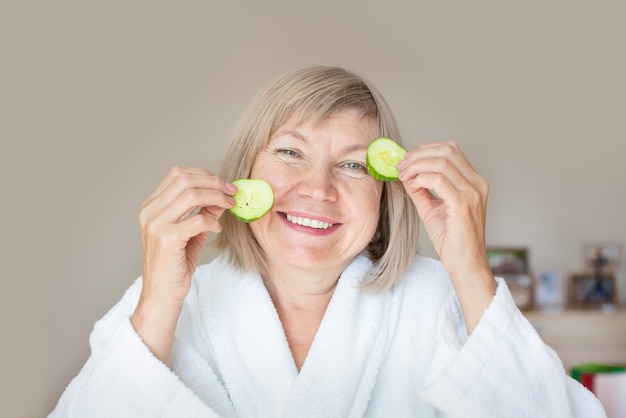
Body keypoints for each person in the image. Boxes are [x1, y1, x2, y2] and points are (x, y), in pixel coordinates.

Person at [49, 66, 606, 417]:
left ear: (387, 197)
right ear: (243, 175)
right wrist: (158, 300)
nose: (317, 189)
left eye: (354, 166)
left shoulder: (442, 300)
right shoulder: (169, 308)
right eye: (290, 153)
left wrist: (470, 270)